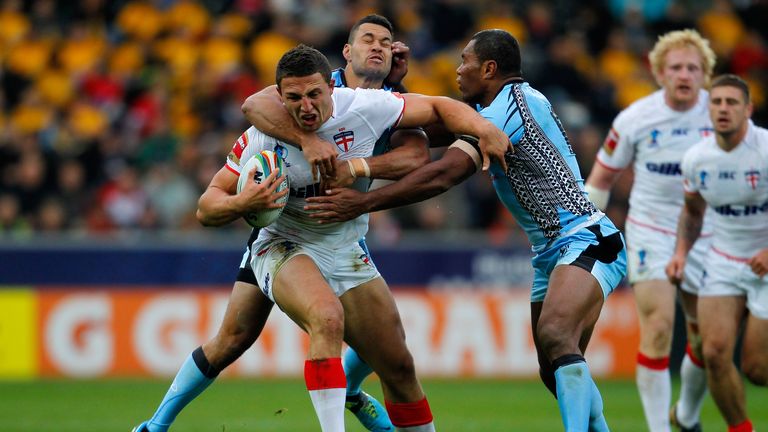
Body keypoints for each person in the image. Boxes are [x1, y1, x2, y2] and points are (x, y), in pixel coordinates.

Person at [304, 29, 627, 432]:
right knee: (554, 366)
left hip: (587, 238)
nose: (457, 71)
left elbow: (442, 174)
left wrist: (365, 200)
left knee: (557, 335)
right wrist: (395, 89)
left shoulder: (505, 110)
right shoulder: (505, 104)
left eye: (465, 62)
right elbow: (430, 127)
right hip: (551, 251)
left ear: (488, 69)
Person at [132, 15, 430, 432]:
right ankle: (156, 424)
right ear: (346, 53)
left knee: (390, 354)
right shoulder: (295, 103)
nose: (378, 47)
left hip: (343, 239)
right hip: (281, 235)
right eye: (368, 39)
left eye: (386, 41)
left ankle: (348, 391)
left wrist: (361, 165)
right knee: (252, 336)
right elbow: (252, 111)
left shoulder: (380, 104)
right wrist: (247, 197)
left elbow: (419, 150)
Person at [584, 29, 716, 432]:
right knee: (658, 327)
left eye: (693, 67)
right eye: (675, 67)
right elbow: (601, 182)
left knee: (708, 343)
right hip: (652, 231)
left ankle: (687, 415)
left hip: (710, 237)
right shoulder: (636, 118)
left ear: (705, 74)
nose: (684, 75)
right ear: (659, 72)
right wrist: (586, 234)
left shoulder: (722, 114)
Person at [666, 74, 768, 432]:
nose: (723, 109)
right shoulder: (697, 158)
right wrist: (680, 252)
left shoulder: (765, 150)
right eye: (717, 103)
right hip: (722, 261)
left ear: (748, 110)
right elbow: (693, 213)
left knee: (758, 371)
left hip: (766, 268)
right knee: (713, 352)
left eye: (732, 103)